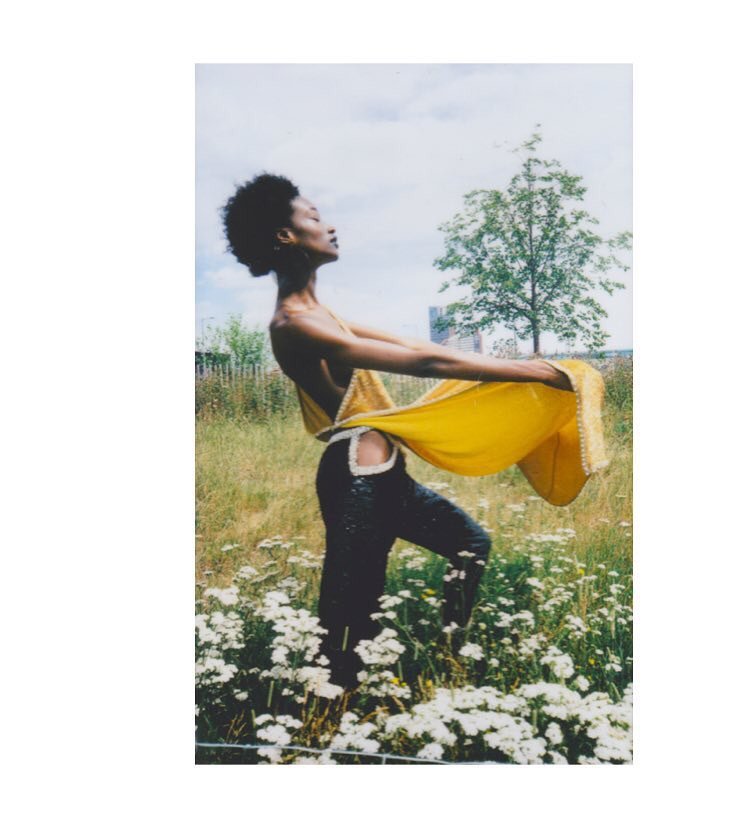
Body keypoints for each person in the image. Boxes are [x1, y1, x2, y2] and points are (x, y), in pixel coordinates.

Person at [221, 173, 574, 688]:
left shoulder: (323, 315)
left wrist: (519, 369)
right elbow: (425, 364)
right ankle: (329, 712)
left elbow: (417, 346)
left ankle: (452, 650)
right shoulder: (294, 323)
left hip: (384, 478)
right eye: (314, 217)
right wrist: (536, 373)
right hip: (356, 479)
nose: (330, 226)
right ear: (285, 236)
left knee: (469, 544)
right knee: (350, 615)